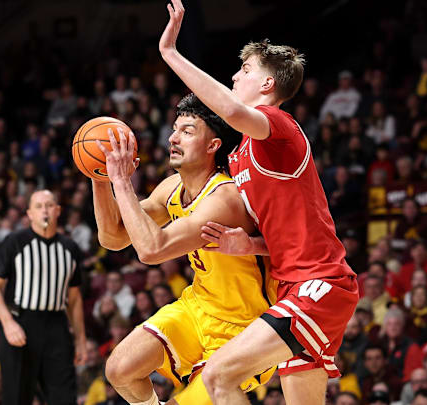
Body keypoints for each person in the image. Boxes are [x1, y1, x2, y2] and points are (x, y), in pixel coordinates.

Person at [157, 2, 358, 404]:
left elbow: (231, 110)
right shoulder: (241, 154)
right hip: (294, 286)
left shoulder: (279, 129)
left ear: (267, 84)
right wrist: (250, 245)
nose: (234, 75)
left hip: (317, 284)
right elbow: (282, 232)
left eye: (245, 70)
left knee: (218, 378)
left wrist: (171, 54)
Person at [94, 94, 275, 405]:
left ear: (212, 145)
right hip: (197, 306)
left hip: (244, 329)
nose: (173, 138)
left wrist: (123, 183)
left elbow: (152, 249)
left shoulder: (225, 199)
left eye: (188, 131)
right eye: (175, 129)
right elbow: (113, 237)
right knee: (119, 369)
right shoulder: (171, 187)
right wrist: (99, 175)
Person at [0, 189, 87, 405]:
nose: (45, 211)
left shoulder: (70, 248)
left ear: (58, 211)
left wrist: (80, 339)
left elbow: (75, 299)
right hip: (21, 323)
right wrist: (7, 322)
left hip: (56, 326)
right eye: (38, 206)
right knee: (16, 397)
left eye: (49, 205)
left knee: (65, 397)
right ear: (29, 213)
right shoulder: (14, 242)